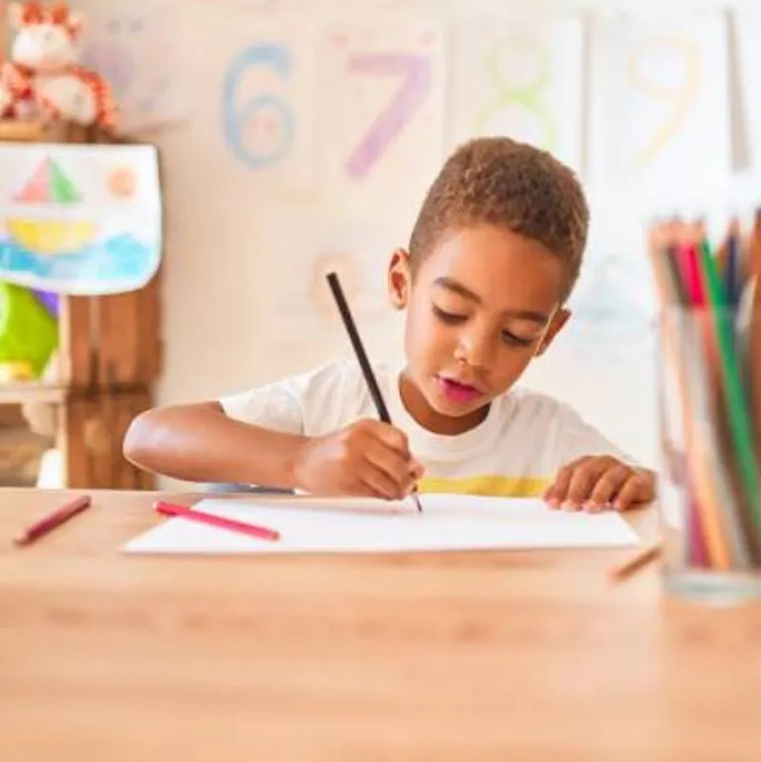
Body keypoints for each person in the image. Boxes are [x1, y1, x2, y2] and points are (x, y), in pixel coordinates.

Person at [124, 137, 654, 513]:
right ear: (401, 282)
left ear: (549, 335)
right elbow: (147, 436)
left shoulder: (548, 437)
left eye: (516, 335)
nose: (475, 352)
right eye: (451, 312)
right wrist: (301, 461)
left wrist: (634, 485)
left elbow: (666, 498)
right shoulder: (332, 403)